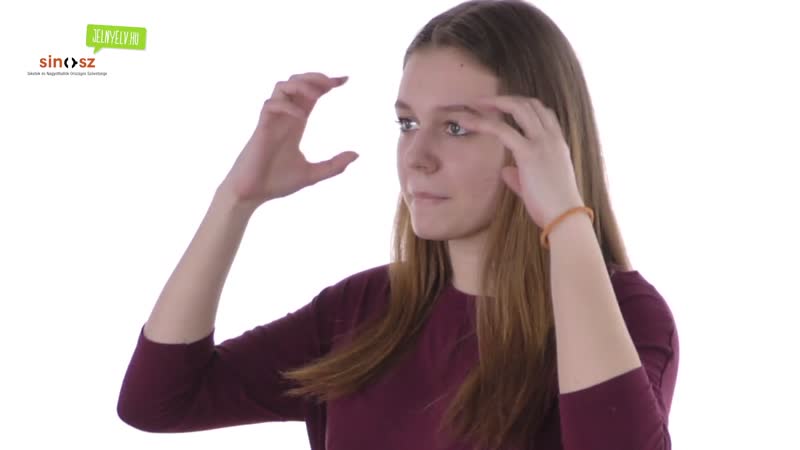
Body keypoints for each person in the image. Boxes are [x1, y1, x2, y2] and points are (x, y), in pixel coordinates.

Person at [116, 1, 679, 449]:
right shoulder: (365, 310)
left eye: (456, 128)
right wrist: (235, 200)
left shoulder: (625, 314)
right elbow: (157, 402)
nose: (417, 157)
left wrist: (566, 218)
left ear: (543, 144)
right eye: (407, 123)